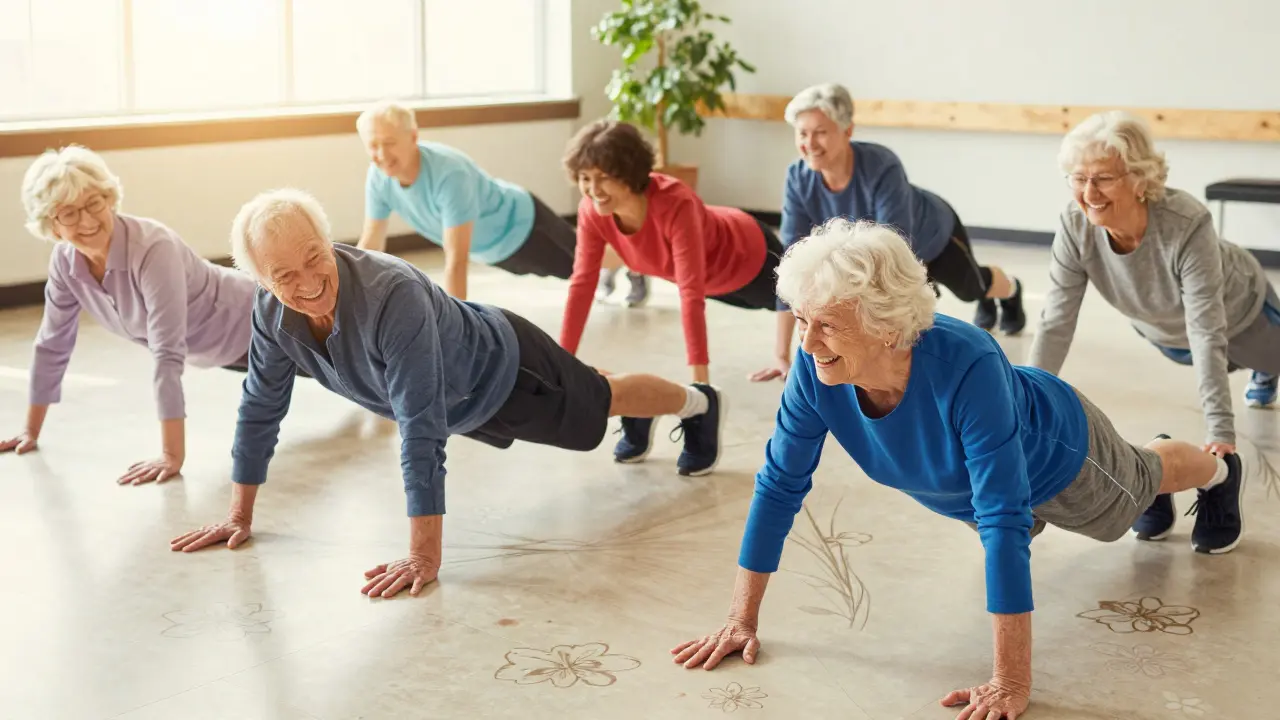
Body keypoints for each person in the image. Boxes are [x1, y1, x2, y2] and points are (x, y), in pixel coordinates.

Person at [673, 218, 1243, 720]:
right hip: (969, 480)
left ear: (886, 326)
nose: (806, 342)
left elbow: (1003, 516)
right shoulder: (815, 368)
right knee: (1024, 524)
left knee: (1134, 491)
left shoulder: (968, 364)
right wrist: (740, 619)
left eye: (825, 324)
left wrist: (1011, 681)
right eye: (801, 320)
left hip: (1058, 453)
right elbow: (779, 485)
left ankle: (1215, 471)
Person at [171, 188, 727, 595]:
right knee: (599, 392)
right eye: (284, 275)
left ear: (329, 240)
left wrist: (423, 556)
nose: (308, 282)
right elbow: (261, 404)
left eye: (314, 257)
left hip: (508, 371)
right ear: (260, 280)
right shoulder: (270, 312)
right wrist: (239, 516)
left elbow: (419, 426)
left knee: (601, 403)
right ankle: (625, 400)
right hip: (459, 399)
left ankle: (699, 401)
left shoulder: (392, 295)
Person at [1027, 110, 1280, 541]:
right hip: (1168, 332)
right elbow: (1056, 321)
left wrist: (1220, 430)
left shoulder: (1186, 222)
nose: (1089, 193)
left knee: (1255, 355)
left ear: (1140, 179)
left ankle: (1266, 370)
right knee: (1202, 353)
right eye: (1078, 178)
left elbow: (1207, 328)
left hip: (1243, 313)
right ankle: (1160, 471)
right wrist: (1027, 402)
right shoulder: (1074, 226)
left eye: (1103, 178)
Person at [2, 145, 256, 485]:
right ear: (51, 225)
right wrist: (30, 431)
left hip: (265, 323)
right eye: (69, 213)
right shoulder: (66, 263)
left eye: (94, 203)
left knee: (335, 372)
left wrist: (171, 455)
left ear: (109, 198)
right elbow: (52, 345)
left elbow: (167, 351)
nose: (87, 221)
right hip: (223, 350)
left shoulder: (153, 249)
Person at [756, 83, 1025, 384]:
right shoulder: (797, 178)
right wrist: (782, 356)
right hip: (877, 251)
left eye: (820, 132)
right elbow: (793, 266)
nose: (810, 143)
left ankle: (1011, 290)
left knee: (972, 288)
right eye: (802, 133)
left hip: (930, 235)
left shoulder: (881, 165)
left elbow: (893, 248)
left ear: (847, 130)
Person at [559, 120, 782, 462]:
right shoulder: (592, 211)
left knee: (818, 304)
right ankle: (640, 408)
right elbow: (583, 282)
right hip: (712, 285)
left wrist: (702, 391)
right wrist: (561, 360)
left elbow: (690, 294)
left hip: (749, 259)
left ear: (629, 172)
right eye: (585, 178)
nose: (593, 189)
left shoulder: (674, 203)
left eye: (603, 177)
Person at [353, 101, 578, 302]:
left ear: (413, 136)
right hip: (490, 250)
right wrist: (348, 286)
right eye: (373, 145)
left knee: (586, 266)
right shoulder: (378, 177)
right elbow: (372, 242)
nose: (381, 154)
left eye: (389, 142)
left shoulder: (450, 174)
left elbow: (456, 260)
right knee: (581, 271)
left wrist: (454, 327)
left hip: (524, 225)